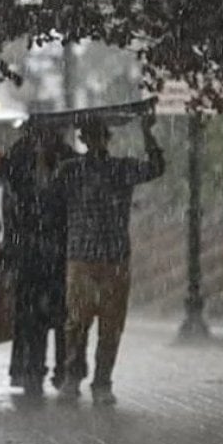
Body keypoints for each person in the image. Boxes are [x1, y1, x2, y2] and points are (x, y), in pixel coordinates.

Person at [55, 113, 164, 406]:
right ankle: (73, 376)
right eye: (89, 136)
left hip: (113, 257)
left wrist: (147, 133)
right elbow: (47, 192)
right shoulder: (70, 171)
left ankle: (102, 381)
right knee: (76, 323)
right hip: (82, 257)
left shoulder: (121, 169)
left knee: (110, 325)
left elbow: (155, 167)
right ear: (83, 140)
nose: (95, 142)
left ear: (106, 138)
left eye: (98, 135)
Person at [0, 123, 79, 397]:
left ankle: (64, 370)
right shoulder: (19, 157)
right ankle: (32, 370)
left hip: (59, 250)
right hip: (29, 251)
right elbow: (8, 192)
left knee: (62, 315)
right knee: (31, 316)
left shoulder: (67, 158)